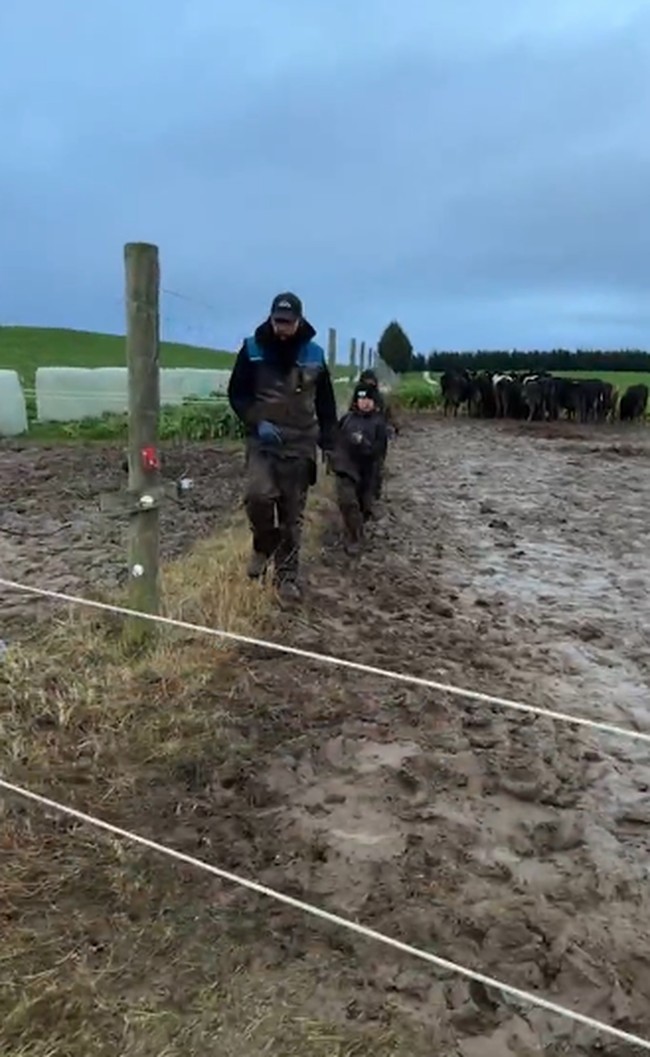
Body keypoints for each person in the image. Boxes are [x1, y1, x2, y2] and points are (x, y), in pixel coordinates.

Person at [227, 292, 337, 601]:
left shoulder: (314, 354)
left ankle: (286, 577)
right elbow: (237, 394)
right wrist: (256, 421)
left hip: (300, 442)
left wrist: (329, 442)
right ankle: (263, 543)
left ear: (299, 321)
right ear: (271, 318)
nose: (282, 328)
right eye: (278, 321)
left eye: (288, 322)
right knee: (257, 496)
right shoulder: (252, 349)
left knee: (292, 515)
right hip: (263, 440)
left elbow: (325, 402)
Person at [332, 383, 388, 555]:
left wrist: (363, 444)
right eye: (361, 398)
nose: (365, 402)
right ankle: (354, 538)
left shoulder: (379, 423)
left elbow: (379, 452)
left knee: (363, 506)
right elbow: (334, 439)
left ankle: (357, 528)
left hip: (368, 471)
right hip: (346, 468)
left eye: (369, 399)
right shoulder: (346, 419)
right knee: (347, 500)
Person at [353, 367, 399, 499]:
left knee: (376, 467)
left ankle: (374, 495)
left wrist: (392, 428)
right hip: (361, 438)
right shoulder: (358, 398)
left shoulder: (379, 399)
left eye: (371, 384)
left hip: (377, 438)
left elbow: (389, 417)